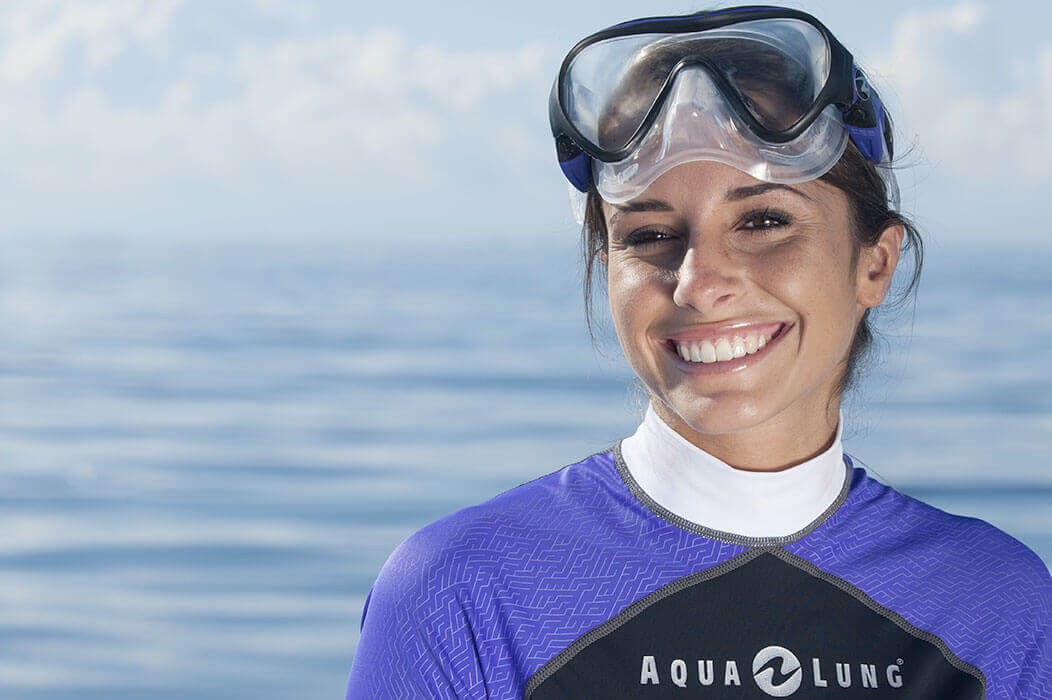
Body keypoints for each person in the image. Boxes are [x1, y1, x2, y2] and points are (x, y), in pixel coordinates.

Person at [346, 6, 1051, 698]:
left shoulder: (999, 608)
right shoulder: (462, 593)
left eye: (764, 220)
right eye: (649, 235)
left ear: (874, 264)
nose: (699, 283)